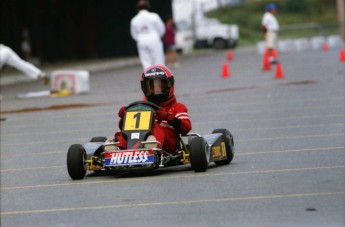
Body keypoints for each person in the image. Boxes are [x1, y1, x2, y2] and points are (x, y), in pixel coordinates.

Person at [114, 64, 192, 154]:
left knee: (155, 126)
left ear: (169, 85)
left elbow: (186, 127)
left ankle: (152, 148)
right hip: (140, 142)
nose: (155, 90)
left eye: (159, 86)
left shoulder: (177, 107)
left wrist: (168, 117)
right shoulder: (142, 109)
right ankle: (118, 149)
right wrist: (125, 118)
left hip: (168, 145)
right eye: (151, 87)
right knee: (129, 128)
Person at [130, 0, 165, 69]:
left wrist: (139, 39)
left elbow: (133, 34)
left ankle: (148, 78)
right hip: (153, 37)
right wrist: (158, 36)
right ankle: (159, 77)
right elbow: (161, 29)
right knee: (158, 60)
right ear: (148, 7)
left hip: (141, 39)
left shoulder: (134, 19)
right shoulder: (154, 16)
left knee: (145, 61)